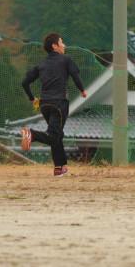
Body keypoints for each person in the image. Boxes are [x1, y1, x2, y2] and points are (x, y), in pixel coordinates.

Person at [21, 32, 87, 177]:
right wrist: (82, 91)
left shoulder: (41, 65)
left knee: (57, 133)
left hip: (44, 105)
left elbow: (24, 82)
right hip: (59, 103)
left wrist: (33, 98)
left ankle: (59, 168)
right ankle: (31, 134)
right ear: (54, 46)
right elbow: (76, 76)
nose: (64, 45)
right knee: (53, 135)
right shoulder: (66, 60)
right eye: (61, 42)